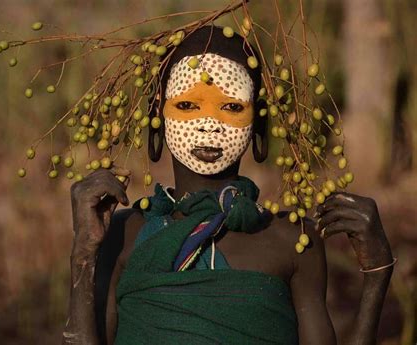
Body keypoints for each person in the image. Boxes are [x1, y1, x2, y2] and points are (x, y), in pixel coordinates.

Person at [62, 27, 395, 345]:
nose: (209, 124)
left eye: (232, 107)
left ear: (258, 122)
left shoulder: (294, 240)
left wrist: (377, 275)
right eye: (187, 105)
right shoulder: (121, 236)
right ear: (157, 116)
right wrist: (83, 252)